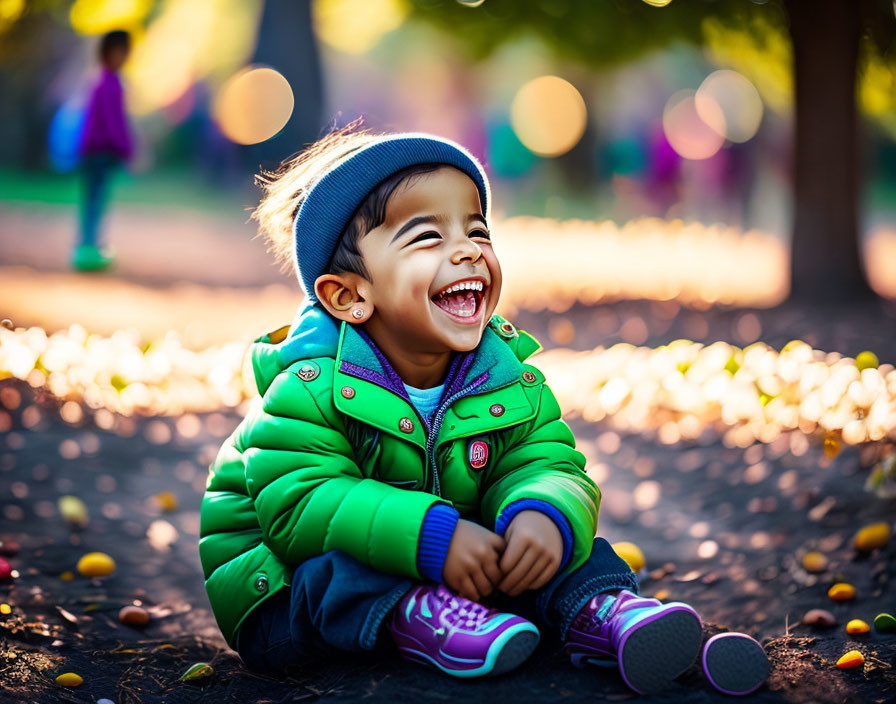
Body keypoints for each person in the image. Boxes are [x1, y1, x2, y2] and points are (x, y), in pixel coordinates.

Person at [198, 123, 769, 696]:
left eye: (477, 230)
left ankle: (606, 615)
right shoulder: (308, 388)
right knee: (342, 568)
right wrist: (430, 536)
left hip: (450, 558)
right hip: (284, 595)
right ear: (350, 296)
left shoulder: (505, 378)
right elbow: (302, 507)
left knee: (566, 546)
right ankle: (419, 618)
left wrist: (542, 514)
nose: (469, 249)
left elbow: (544, 459)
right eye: (427, 237)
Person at [73, 29, 134, 272]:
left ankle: (88, 245)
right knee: (95, 200)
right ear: (110, 52)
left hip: (94, 152)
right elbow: (113, 123)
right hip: (99, 152)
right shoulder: (110, 84)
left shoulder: (101, 81)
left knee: (93, 199)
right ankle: (88, 249)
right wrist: (126, 148)